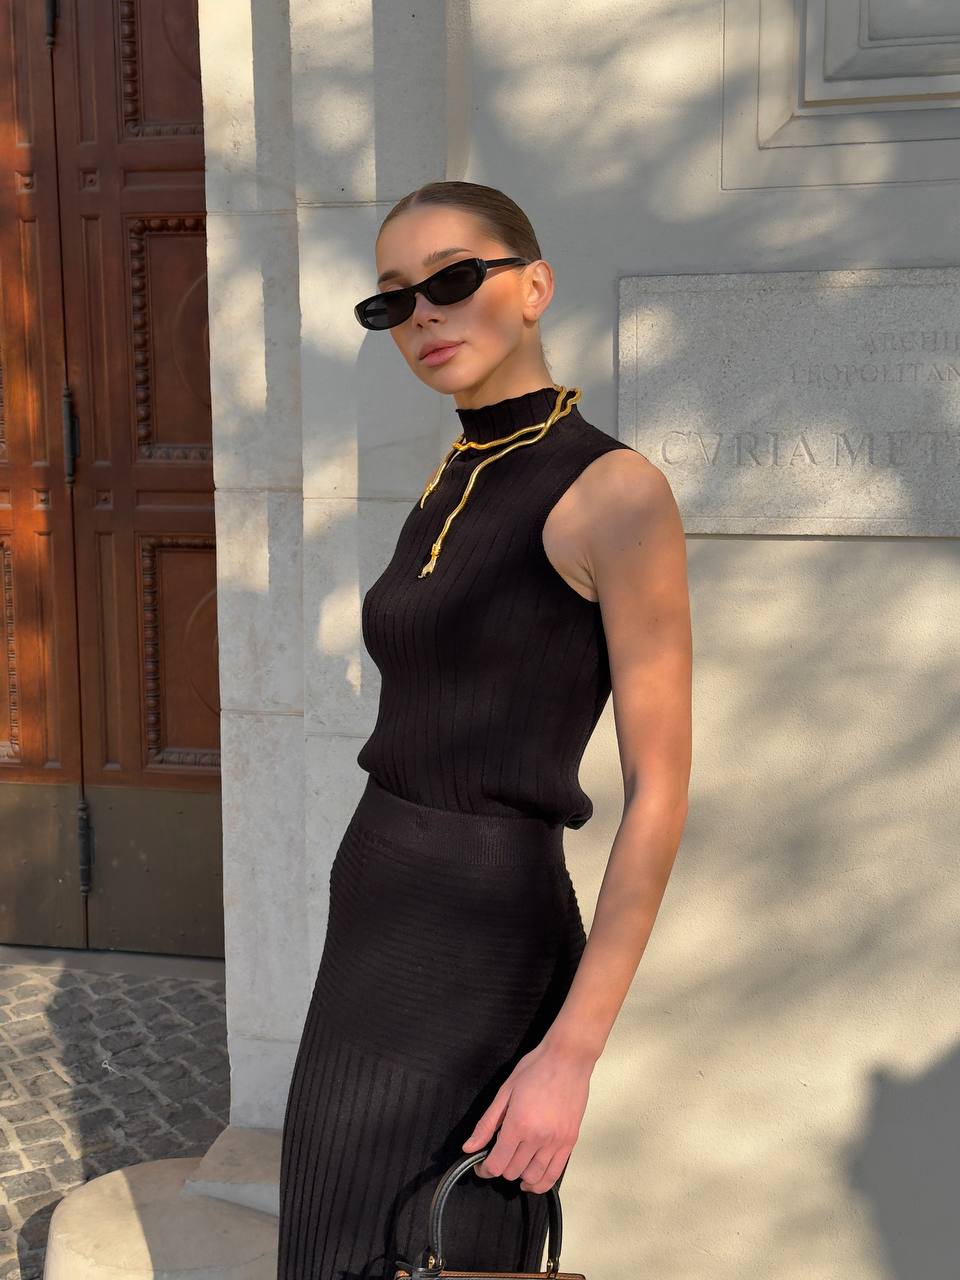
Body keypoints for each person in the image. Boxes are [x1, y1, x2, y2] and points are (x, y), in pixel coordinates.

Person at [277, 180, 692, 1280]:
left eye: (455, 279)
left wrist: (573, 1051)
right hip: (374, 906)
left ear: (535, 286)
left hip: (484, 935)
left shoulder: (615, 490)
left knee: (441, 1247)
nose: (424, 313)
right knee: (330, 1240)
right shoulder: (455, 471)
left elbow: (660, 788)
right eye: (394, 300)